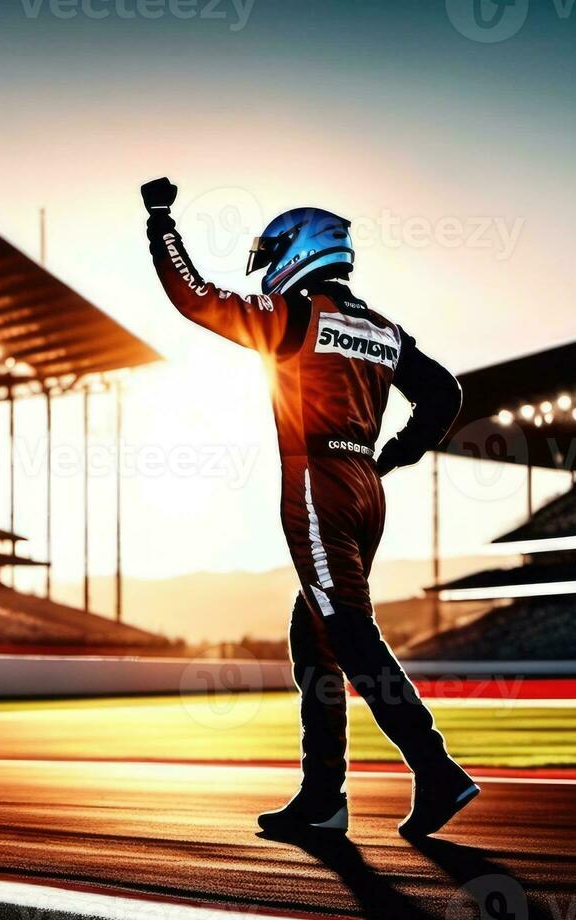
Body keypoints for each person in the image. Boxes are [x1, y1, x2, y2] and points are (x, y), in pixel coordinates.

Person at [140, 177, 478, 840]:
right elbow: (443, 393)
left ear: (300, 251)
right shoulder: (384, 330)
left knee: (348, 633)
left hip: (315, 479)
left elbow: (196, 299)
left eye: (273, 258)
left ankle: (435, 770)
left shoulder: (295, 317)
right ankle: (323, 799)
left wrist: (160, 222)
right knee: (313, 636)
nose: (267, 272)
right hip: (365, 486)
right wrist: (395, 455)